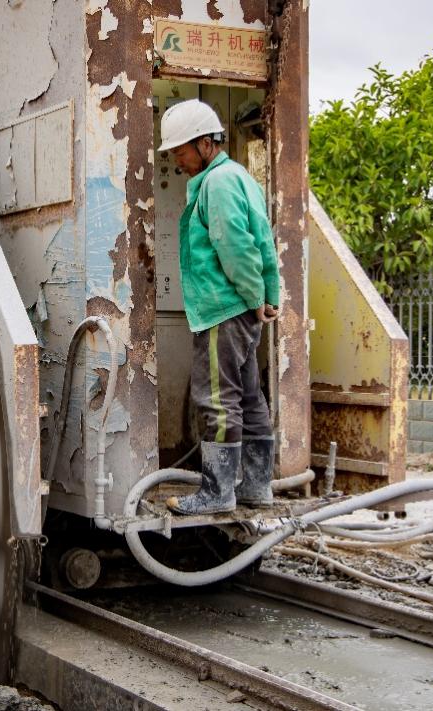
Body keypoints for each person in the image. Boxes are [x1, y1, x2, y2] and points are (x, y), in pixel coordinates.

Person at [159, 99, 281, 516]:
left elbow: (235, 246)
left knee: (216, 398)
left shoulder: (217, 183)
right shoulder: (238, 177)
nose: (177, 160)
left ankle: (218, 491)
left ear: (206, 143)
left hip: (222, 310)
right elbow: (263, 243)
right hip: (241, 309)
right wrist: (266, 297)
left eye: (181, 150)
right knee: (248, 396)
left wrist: (251, 297)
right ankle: (256, 487)